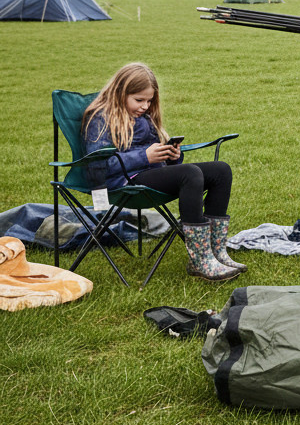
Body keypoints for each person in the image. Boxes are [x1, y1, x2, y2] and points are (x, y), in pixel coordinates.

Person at [82, 63, 243, 282]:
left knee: (221, 170)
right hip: (123, 183)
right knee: (191, 174)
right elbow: (97, 164)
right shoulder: (99, 118)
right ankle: (201, 259)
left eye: (149, 101)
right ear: (120, 93)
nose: (145, 106)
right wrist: (144, 157)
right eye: (139, 100)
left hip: (150, 175)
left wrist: (172, 155)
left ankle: (216, 251)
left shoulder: (144, 118)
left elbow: (163, 164)